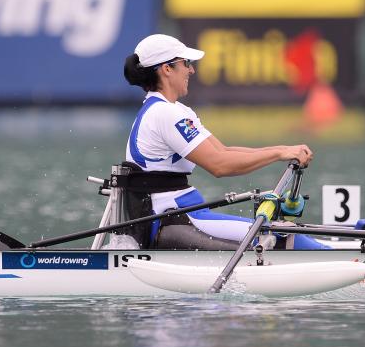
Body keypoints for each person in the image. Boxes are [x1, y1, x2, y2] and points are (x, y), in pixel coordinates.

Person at [121, 34, 328, 250]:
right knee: (287, 237)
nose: (191, 70)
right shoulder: (164, 114)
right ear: (166, 69)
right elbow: (220, 165)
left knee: (286, 233)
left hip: (185, 211)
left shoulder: (175, 111)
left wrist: (283, 149)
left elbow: (223, 150)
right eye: (186, 63)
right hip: (172, 217)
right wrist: (278, 155)